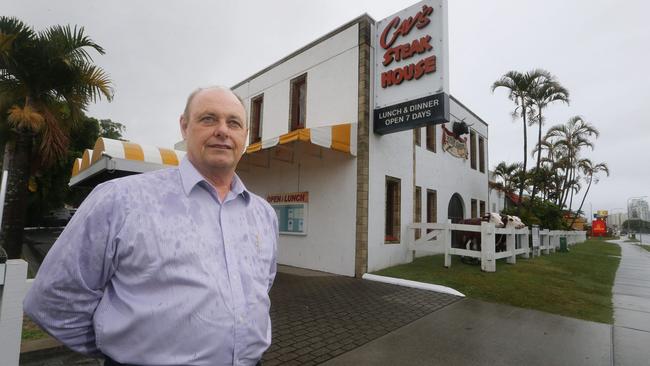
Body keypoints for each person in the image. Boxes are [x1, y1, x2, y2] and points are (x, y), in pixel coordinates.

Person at [24, 86, 278, 366]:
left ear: (245, 135)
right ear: (184, 126)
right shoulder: (121, 200)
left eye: (234, 123)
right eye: (208, 119)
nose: (222, 130)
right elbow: (52, 299)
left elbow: (261, 286)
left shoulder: (263, 214)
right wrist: (117, 351)